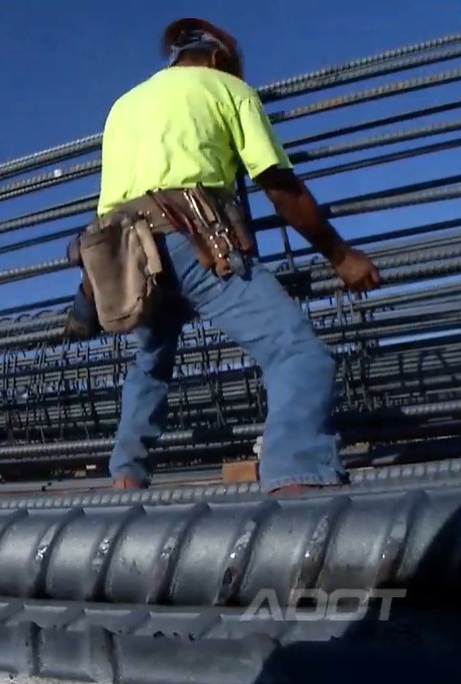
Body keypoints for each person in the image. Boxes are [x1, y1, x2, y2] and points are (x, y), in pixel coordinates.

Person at [85, 18, 381, 495]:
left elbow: (106, 209)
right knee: (297, 353)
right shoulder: (229, 89)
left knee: (149, 364)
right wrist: (340, 255)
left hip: (127, 257)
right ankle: (295, 477)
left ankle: (126, 476)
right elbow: (279, 186)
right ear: (220, 57)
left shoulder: (123, 107)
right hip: (196, 239)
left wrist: (92, 292)